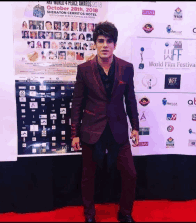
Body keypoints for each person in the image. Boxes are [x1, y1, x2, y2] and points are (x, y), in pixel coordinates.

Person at [71, 21, 139, 223]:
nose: (104, 45)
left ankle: (125, 213)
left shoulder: (126, 68)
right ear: (94, 44)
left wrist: (135, 127)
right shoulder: (84, 70)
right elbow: (77, 103)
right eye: (100, 41)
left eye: (109, 41)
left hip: (118, 129)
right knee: (88, 177)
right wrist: (74, 133)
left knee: (130, 174)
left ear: (115, 45)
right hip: (92, 129)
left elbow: (131, 99)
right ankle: (89, 215)